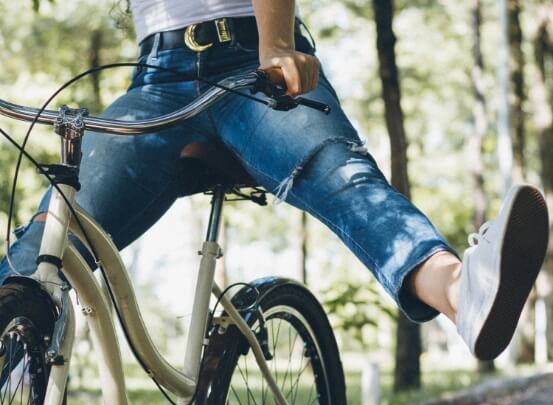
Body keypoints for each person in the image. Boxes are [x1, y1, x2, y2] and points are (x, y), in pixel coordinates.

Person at [0, 0, 548, 361]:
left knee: (343, 178)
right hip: (156, 75)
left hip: (252, 58)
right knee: (46, 245)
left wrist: (276, 42)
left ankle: (462, 291)